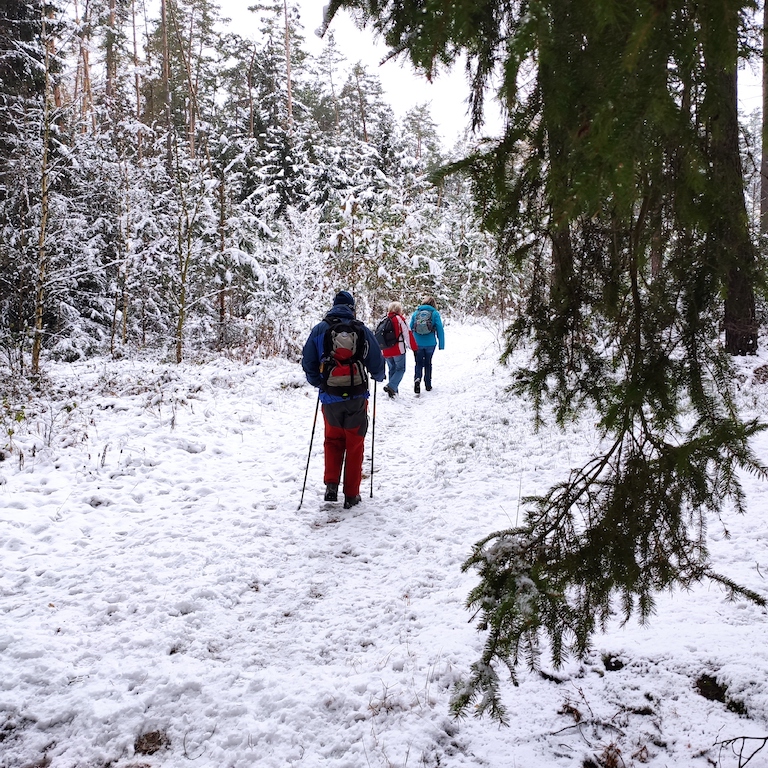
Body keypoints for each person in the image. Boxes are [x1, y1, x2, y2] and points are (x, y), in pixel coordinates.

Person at [302, 291, 385, 509]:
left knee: (332, 441)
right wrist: (378, 376)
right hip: (357, 396)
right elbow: (376, 360)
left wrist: (319, 382)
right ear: (352, 307)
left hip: (330, 397)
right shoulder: (361, 330)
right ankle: (351, 494)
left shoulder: (320, 329)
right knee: (355, 444)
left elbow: (308, 361)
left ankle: (331, 486)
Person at [381, 301, 417, 398]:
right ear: (399, 310)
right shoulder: (400, 319)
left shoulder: (384, 319)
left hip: (385, 350)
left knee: (392, 368)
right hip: (398, 349)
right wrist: (413, 347)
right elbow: (407, 334)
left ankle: (393, 392)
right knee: (400, 369)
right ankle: (391, 386)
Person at [410, 296, 445, 393]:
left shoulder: (416, 313)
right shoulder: (435, 314)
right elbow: (440, 329)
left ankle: (417, 379)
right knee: (428, 363)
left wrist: (410, 342)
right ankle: (428, 384)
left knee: (418, 362)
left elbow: (410, 327)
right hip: (430, 343)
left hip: (417, 343)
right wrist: (441, 344)